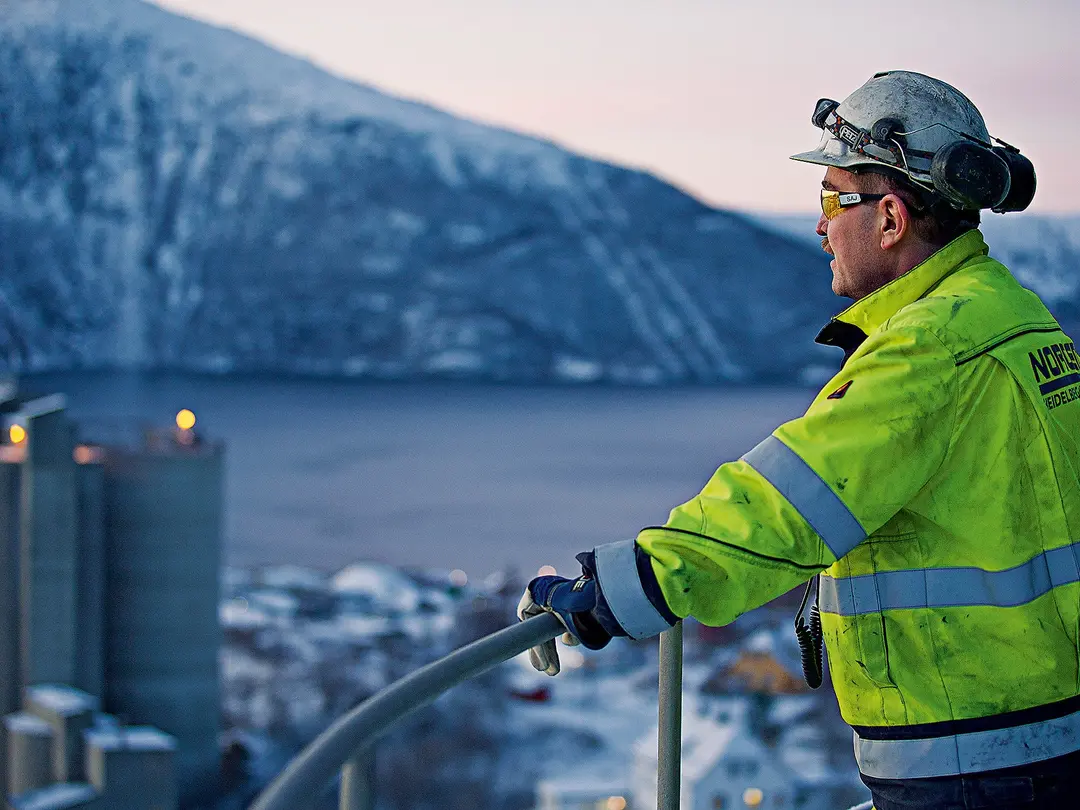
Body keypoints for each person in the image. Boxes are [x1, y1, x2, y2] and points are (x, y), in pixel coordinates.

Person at [518, 70, 1080, 810]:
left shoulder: (933, 349)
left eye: (830, 198)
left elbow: (786, 504)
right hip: (1042, 740)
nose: (819, 225)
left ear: (889, 219)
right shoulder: (1018, 322)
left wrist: (609, 593)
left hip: (978, 764)